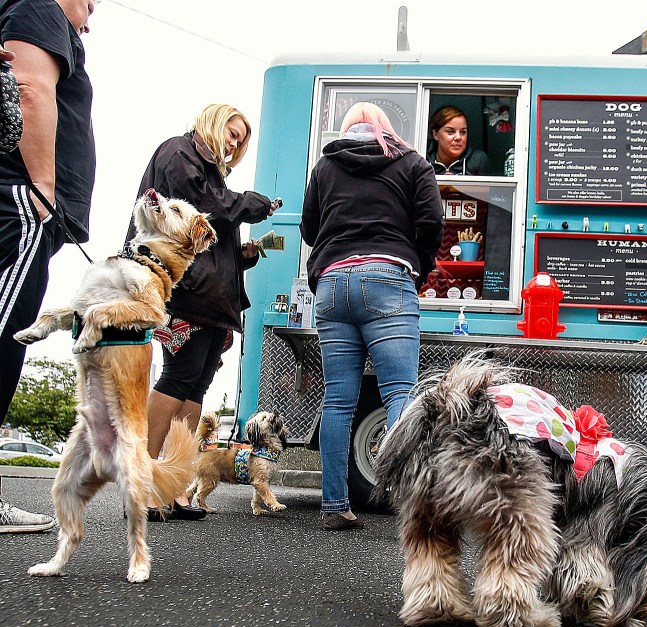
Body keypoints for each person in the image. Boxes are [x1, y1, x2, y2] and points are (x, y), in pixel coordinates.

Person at [127, 104, 275, 521]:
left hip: (210, 295)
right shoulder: (180, 154)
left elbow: (208, 231)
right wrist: (247, 203)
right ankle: (143, 486)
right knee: (178, 379)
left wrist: (240, 255)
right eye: (232, 132)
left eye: (241, 139)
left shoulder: (211, 175)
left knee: (195, 388)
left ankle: (171, 486)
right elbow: (205, 209)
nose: (235, 143)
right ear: (211, 122)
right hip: (184, 291)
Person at [300, 102, 443, 530]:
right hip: (386, 277)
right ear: (385, 128)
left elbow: (309, 229)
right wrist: (415, 262)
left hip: (331, 285)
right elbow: (431, 221)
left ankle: (334, 506)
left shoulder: (325, 167)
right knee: (400, 393)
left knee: (338, 399)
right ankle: (410, 506)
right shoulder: (411, 162)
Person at [0, 0, 95, 534]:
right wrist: (42, 187)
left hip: (26, 201)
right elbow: (29, 88)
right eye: (89, 4)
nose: (89, 18)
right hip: (24, 198)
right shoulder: (38, 6)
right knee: (7, 336)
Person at [427, 105, 491, 175]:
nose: (458, 137)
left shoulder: (478, 161)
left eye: (463, 132)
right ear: (435, 134)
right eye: (450, 132)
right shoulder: (422, 159)